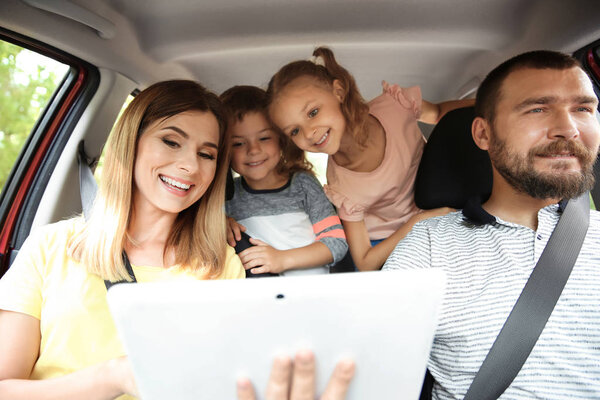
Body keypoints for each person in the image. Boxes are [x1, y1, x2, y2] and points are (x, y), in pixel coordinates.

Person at [0, 80, 246, 399]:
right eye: (171, 141)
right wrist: (112, 377)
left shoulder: (222, 265)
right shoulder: (50, 246)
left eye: (207, 154)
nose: (190, 165)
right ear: (132, 142)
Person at [383, 50, 600, 399]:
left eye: (583, 109)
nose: (569, 129)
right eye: (538, 109)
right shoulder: (428, 243)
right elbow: (372, 358)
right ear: (483, 134)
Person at [266, 47, 471, 271]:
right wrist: (417, 223)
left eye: (313, 112)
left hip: (442, 216)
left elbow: (441, 112)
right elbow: (365, 261)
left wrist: (491, 108)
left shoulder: (396, 106)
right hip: (386, 243)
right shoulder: (342, 187)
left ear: (338, 91)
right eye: (294, 131)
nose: (308, 133)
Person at [221, 85, 348, 276]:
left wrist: (282, 259)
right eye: (238, 143)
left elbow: (336, 243)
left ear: (281, 139)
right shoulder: (227, 199)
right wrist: (220, 224)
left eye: (264, 138)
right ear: (225, 152)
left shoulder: (302, 184)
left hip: (316, 296)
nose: (253, 150)